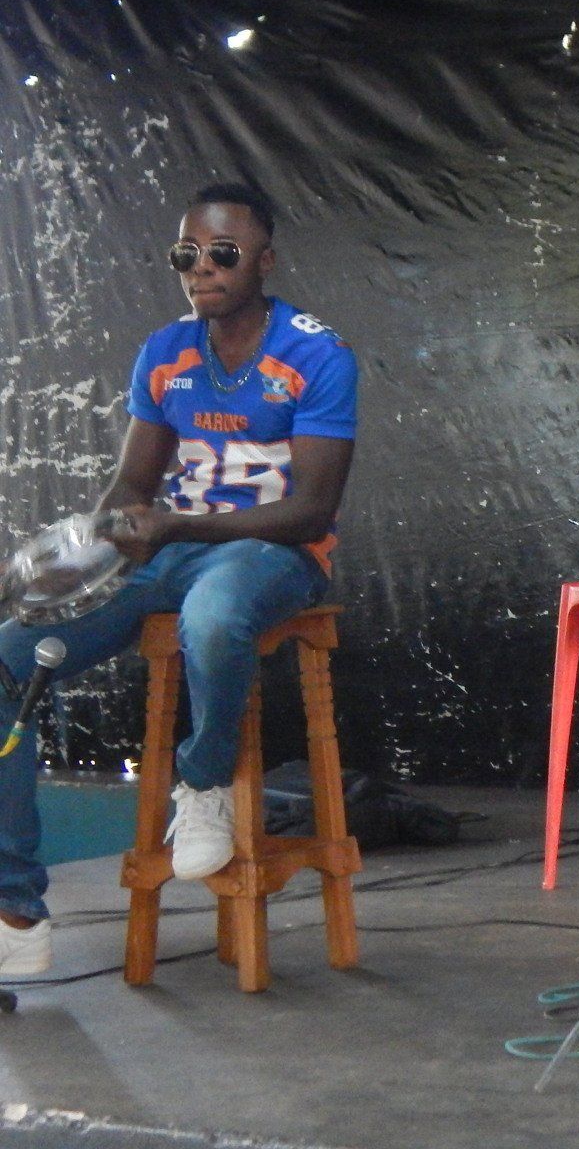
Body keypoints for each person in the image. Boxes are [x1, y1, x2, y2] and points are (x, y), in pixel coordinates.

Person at [0, 183, 357, 977]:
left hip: (271, 553)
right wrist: (67, 558)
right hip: (171, 550)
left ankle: (203, 782)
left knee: (213, 614)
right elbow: (132, 487)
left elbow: (310, 511)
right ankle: (15, 909)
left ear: (265, 261)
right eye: (186, 255)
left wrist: (174, 527)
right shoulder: (166, 353)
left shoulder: (316, 354)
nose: (203, 268)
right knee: (4, 657)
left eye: (223, 253)